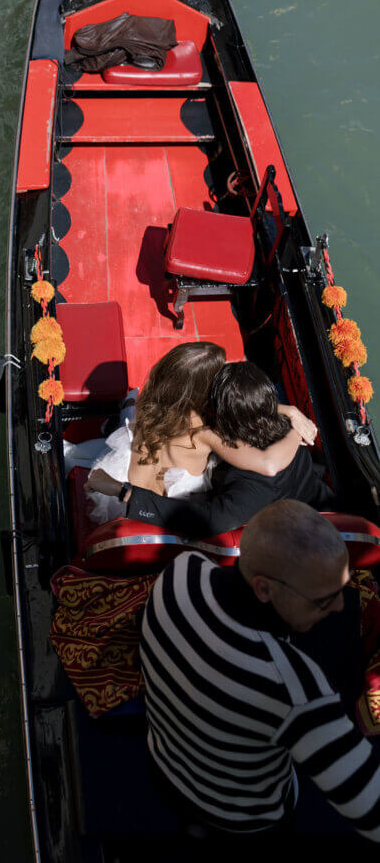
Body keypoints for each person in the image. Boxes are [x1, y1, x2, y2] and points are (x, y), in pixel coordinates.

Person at [140, 501, 380, 839]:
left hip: (165, 767)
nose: (340, 605)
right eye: (324, 600)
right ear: (264, 588)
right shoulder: (296, 688)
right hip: (244, 820)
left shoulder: (180, 572)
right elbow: (372, 811)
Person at [84, 348, 316, 524]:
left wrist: (286, 410)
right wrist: (294, 425)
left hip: (125, 469)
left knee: (131, 406)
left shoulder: (155, 403)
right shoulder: (207, 430)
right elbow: (268, 464)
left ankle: (122, 409)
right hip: (162, 502)